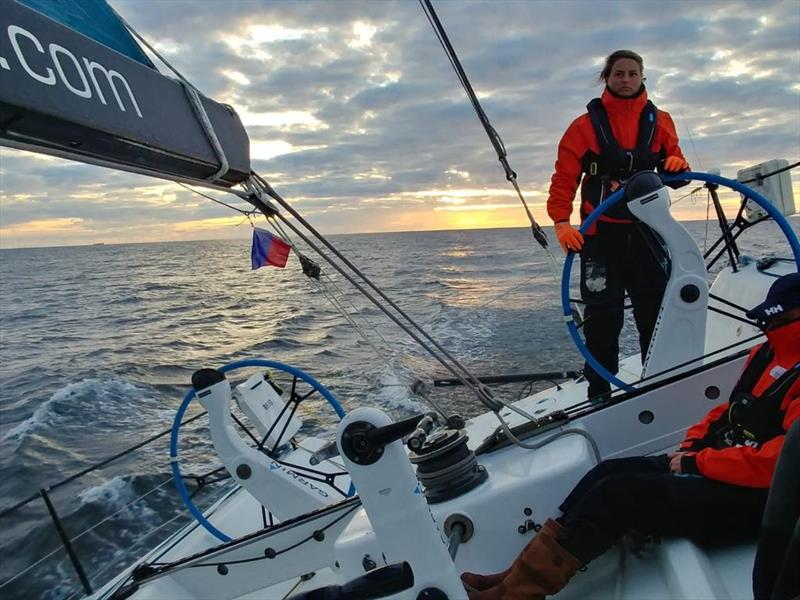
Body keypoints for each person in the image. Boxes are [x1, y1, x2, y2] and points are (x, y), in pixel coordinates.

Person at [462, 272, 800, 600]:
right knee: (606, 471)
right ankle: (515, 573)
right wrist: (692, 447)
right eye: (768, 320)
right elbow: (725, 412)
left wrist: (696, 463)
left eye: (779, 320)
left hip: (759, 503)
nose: (769, 327)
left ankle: (518, 593)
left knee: (617, 493)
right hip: (716, 467)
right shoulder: (765, 354)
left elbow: (781, 464)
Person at [546, 49, 691, 400]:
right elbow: (564, 178)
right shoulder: (583, 128)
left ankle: (659, 382)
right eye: (618, 74)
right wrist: (562, 223)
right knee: (602, 318)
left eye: (632, 73)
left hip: (648, 232)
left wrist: (675, 164)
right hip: (600, 237)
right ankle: (599, 391)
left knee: (655, 311)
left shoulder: (662, 121)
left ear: (642, 77)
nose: (625, 79)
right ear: (606, 78)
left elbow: (680, 173)